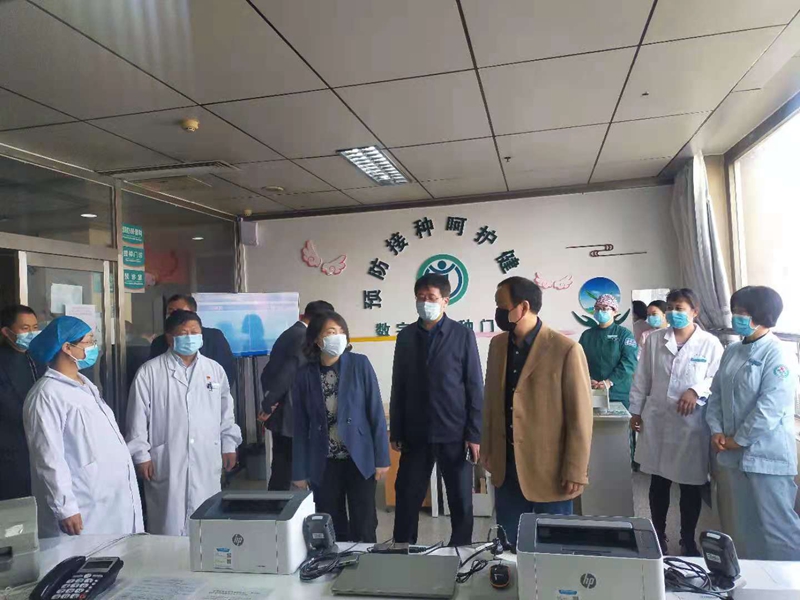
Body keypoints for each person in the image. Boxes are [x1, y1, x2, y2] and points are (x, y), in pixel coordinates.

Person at [482, 277, 593, 548]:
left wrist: (576, 469)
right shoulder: (497, 346)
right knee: (508, 546)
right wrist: (487, 449)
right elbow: (491, 402)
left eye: (502, 306)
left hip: (551, 470)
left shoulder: (565, 349)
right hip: (507, 468)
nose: (498, 313)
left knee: (554, 548)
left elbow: (580, 417)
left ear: (523, 307)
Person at [24, 316, 143, 537]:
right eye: (89, 341)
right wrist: (65, 507)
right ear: (67, 347)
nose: (94, 347)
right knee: (83, 556)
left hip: (108, 498)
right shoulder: (47, 394)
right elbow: (48, 457)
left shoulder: (86, 386)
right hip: (84, 502)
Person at [127, 310, 242, 536]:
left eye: (195, 332)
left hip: (206, 456)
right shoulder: (150, 372)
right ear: (170, 338)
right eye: (184, 333)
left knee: (207, 525)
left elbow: (226, 412)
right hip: (167, 459)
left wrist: (229, 444)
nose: (190, 337)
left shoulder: (214, 370)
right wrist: (141, 455)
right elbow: (137, 417)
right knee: (168, 526)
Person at [706, 286, 800, 561]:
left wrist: (739, 439)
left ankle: (788, 582)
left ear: (762, 315)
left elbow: (771, 406)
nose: (737, 317)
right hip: (730, 454)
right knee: (740, 527)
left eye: (743, 312)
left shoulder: (778, 353)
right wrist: (717, 430)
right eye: (735, 311)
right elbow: (716, 395)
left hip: (767, 456)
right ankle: (751, 579)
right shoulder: (732, 350)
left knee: (777, 529)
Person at [390, 274, 483, 547]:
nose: (425, 302)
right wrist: (396, 429)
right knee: (407, 494)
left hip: (454, 432)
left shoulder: (462, 335)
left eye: (431, 297)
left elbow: (474, 386)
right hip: (415, 433)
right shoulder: (406, 337)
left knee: (460, 498)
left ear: (445, 301)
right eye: (420, 297)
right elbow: (399, 384)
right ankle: (403, 548)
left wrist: (474, 433)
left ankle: (461, 550)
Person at [629, 289, 724, 555]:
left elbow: (717, 378)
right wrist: (635, 411)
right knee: (658, 483)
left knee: (690, 485)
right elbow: (642, 378)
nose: (673, 313)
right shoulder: (654, 340)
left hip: (691, 425)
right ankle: (658, 535)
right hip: (658, 420)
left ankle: (687, 540)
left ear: (695, 312)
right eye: (670, 308)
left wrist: (696, 390)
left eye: (680, 308)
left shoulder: (710, 343)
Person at [292, 311, 390, 542]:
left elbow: (375, 411)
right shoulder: (304, 374)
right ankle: (335, 561)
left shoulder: (360, 364)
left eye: (341, 331)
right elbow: (300, 425)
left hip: (359, 457)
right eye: (331, 332)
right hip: (324, 460)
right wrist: (299, 471)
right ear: (317, 339)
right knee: (330, 522)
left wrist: (382, 458)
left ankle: (365, 561)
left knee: (364, 521)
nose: (338, 336)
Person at [259, 300, 334, 491]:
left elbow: (268, 372)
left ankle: (276, 503)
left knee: (282, 465)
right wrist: (270, 403)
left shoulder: (290, 333)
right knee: (288, 467)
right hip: (290, 413)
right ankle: (281, 505)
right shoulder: (303, 337)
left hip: (283, 410)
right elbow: (287, 374)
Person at [0, 305, 45, 501]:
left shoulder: (39, 358)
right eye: (25, 328)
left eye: (35, 327)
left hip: (40, 445)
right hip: (11, 451)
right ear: (7, 332)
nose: (32, 333)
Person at [149, 294, 237, 391]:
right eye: (170, 312)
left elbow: (227, 372)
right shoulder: (159, 342)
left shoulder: (213, 337)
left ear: (193, 314)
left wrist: (212, 392)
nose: (174, 316)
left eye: (180, 312)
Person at [579, 294, 638, 409]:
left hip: (618, 393)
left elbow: (629, 362)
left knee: (618, 421)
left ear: (615, 311)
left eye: (605, 308)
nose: (600, 312)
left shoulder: (624, 334)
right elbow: (579, 361)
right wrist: (589, 379)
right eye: (598, 309)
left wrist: (610, 381)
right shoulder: (587, 335)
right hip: (592, 391)